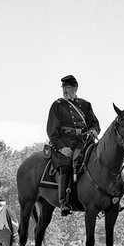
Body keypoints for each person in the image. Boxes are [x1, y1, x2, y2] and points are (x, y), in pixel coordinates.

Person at [46, 74, 100, 216]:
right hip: (65, 144)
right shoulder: (57, 106)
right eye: (64, 87)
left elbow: (94, 124)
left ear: (75, 88)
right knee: (65, 166)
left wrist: (93, 131)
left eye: (68, 87)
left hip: (84, 142)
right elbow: (52, 131)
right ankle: (64, 201)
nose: (65, 91)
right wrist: (61, 147)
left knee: (100, 160)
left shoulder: (85, 105)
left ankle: (108, 198)